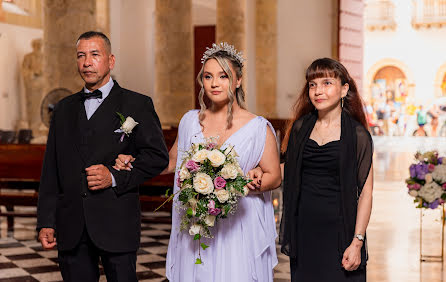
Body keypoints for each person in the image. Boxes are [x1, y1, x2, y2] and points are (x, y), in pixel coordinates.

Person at [114, 42, 282, 281]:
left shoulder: (258, 128)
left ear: (238, 80)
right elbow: (172, 162)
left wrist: (240, 187)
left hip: (238, 227)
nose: (214, 83)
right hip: (197, 222)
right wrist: (135, 162)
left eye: (223, 76)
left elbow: (273, 175)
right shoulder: (190, 121)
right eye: (208, 76)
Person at [36, 31, 169, 281]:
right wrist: (46, 221)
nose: (87, 62)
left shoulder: (137, 104)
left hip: (116, 223)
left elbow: (157, 157)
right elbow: (50, 170)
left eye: (95, 55)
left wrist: (115, 176)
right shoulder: (62, 110)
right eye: (81, 56)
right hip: (71, 226)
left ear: (111, 60)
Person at [279, 58, 374, 281]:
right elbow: (287, 170)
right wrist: (256, 175)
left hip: (341, 234)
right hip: (304, 232)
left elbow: (366, 193)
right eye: (313, 84)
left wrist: (357, 241)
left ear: (344, 89)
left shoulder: (358, 135)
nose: (318, 91)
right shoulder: (300, 128)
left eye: (327, 83)